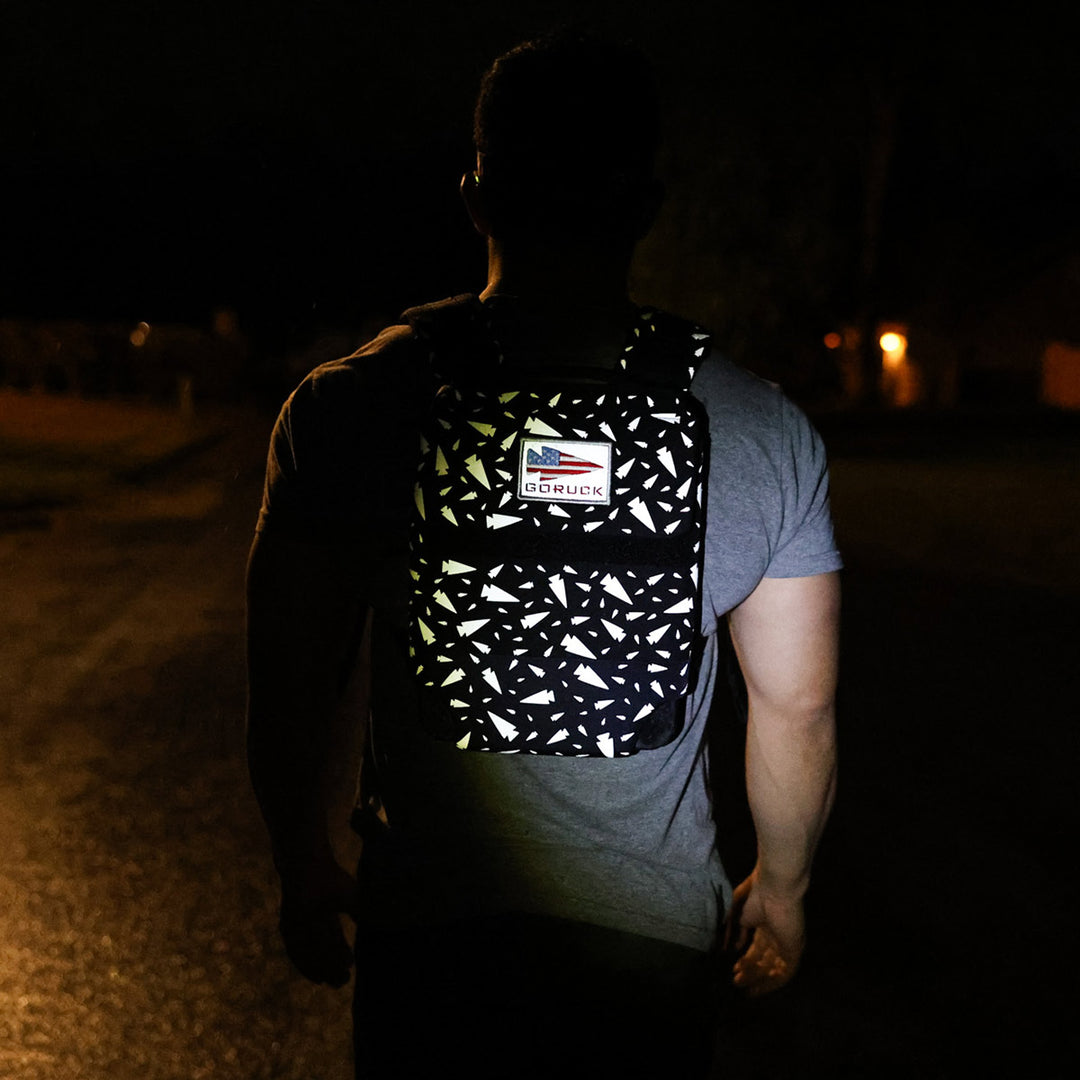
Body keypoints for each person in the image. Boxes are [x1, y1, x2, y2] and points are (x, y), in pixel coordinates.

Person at [247, 31, 840, 1079]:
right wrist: (781, 893)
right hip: (647, 952)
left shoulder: (348, 410)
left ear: (477, 195)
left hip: (430, 940)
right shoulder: (760, 429)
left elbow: (291, 678)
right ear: (646, 208)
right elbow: (797, 708)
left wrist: (302, 860)